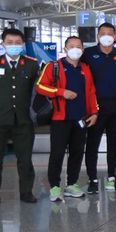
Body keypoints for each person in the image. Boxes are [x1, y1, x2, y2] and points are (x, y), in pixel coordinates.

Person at [38, 37, 99, 202]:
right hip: (60, 119)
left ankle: (72, 184)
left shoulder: (85, 68)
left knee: (77, 153)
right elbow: (40, 86)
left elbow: (91, 92)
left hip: (80, 119)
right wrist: (60, 92)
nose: (75, 49)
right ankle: (55, 187)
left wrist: (94, 113)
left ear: (83, 50)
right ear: (65, 49)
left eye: (78, 46)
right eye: (71, 46)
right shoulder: (54, 66)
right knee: (57, 154)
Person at [81, 22, 116, 193]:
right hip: (95, 105)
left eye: (111, 33)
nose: (107, 36)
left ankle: (112, 177)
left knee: (115, 144)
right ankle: (92, 179)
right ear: (98, 36)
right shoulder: (87, 54)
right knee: (93, 143)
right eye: (103, 33)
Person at [0, 28, 40, 203]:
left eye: (17, 43)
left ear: (23, 44)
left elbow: (36, 92)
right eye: (10, 42)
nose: (14, 46)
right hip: (1, 119)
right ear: (3, 43)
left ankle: (26, 192)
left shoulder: (32, 64)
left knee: (25, 160)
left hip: (23, 120)